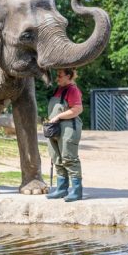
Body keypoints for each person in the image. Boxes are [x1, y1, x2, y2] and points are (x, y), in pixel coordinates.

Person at [45, 68, 84, 202]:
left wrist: (58, 117)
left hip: (68, 128)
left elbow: (77, 109)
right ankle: (61, 189)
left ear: (69, 76)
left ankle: (77, 191)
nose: (57, 78)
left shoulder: (73, 90)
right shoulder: (59, 89)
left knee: (69, 158)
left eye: (60, 76)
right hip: (55, 128)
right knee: (56, 158)